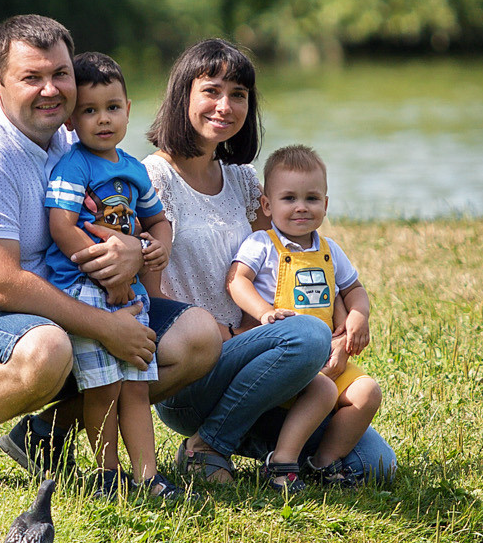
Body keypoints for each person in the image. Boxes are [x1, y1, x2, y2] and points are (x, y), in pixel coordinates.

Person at [0, 15, 217, 491]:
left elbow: (123, 215)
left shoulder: (73, 140)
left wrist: (134, 249)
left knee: (197, 336)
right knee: (48, 349)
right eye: (32, 77)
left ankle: (43, 436)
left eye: (60, 74)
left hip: (61, 309)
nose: (51, 89)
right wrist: (107, 328)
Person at [141, 39, 398, 486]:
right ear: (183, 94)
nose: (225, 105)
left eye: (238, 94)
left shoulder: (241, 179)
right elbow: (151, 295)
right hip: (196, 366)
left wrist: (341, 330)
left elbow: (292, 254)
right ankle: (207, 445)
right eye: (212, 91)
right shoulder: (154, 178)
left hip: (267, 362)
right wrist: (217, 331)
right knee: (304, 335)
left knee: (373, 464)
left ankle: (278, 453)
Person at [40, 53, 174, 493]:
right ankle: (107, 476)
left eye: (112, 108)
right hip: (84, 288)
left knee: (136, 386)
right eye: (89, 110)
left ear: (129, 109)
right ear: (70, 121)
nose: (103, 120)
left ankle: (148, 476)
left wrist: (158, 246)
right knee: (104, 389)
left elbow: (157, 220)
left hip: (130, 291)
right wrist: (109, 276)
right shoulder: (74, 166)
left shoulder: (135, 168)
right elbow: (61, 225)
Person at [226, 144, 381, 491]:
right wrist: (263, 312)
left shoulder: (329, 250)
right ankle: (281, 462)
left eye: (312, 198)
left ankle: (324, 464)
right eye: (288, 198)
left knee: (368, 391)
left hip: (327, 358)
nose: (301, 207)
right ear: (267, 205)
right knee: (323, 390)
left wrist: (358, 315)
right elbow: (237, 280)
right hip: (284, 359)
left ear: (325, 204)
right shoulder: (261, 244)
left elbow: (354, 289)